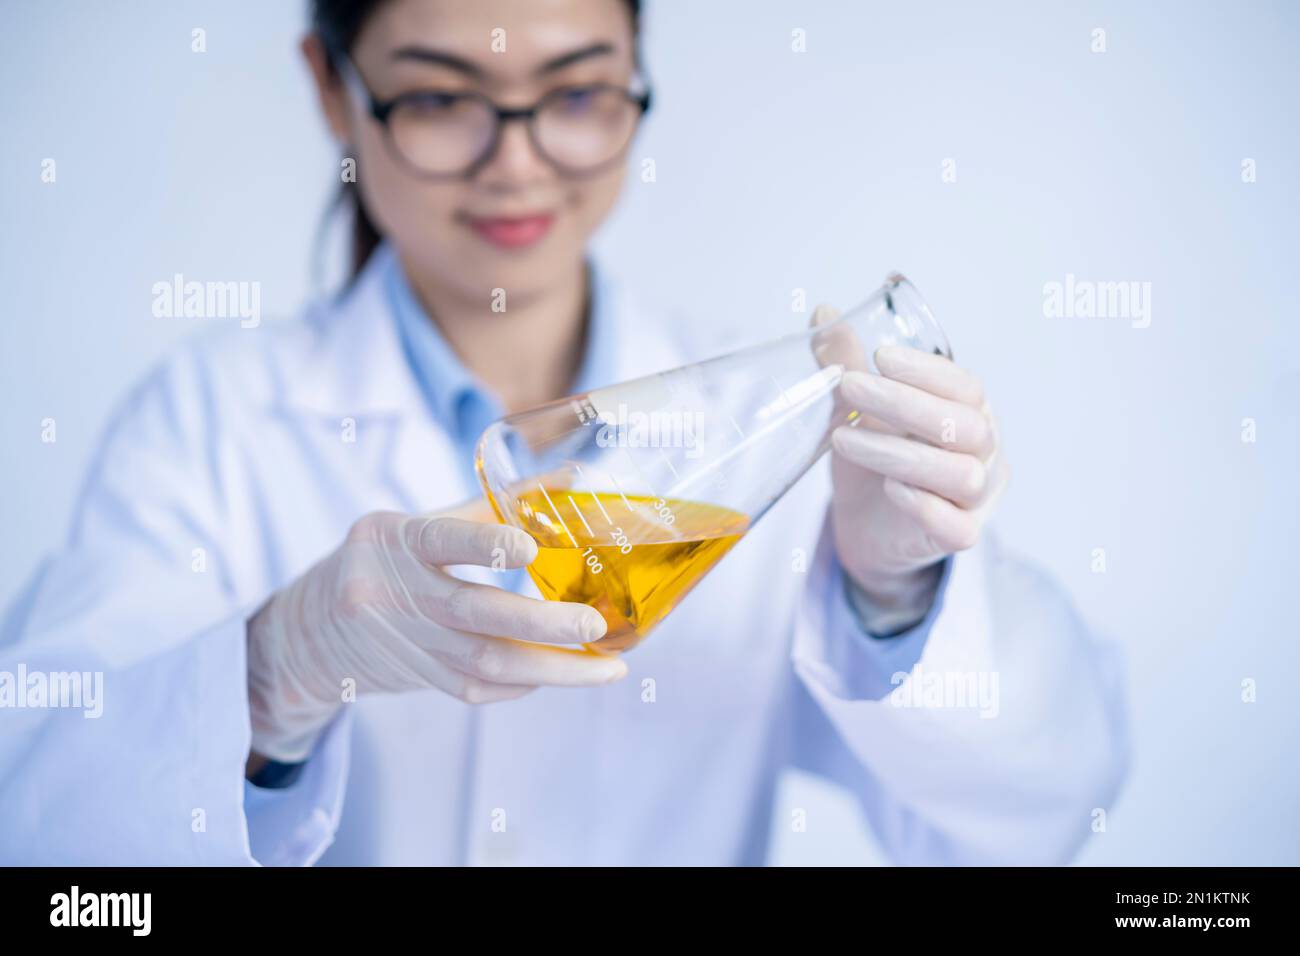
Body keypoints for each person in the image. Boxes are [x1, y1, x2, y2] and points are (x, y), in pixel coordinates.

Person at [0, 0, 1127, 865]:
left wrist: (894, 597)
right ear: (333, 92)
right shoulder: (206, 422)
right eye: (442, 98)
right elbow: (46, 839)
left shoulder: (769, 429)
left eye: (577, 93)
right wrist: (271, 673)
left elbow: (1043, 811)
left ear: (636, 77)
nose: (519, 160)